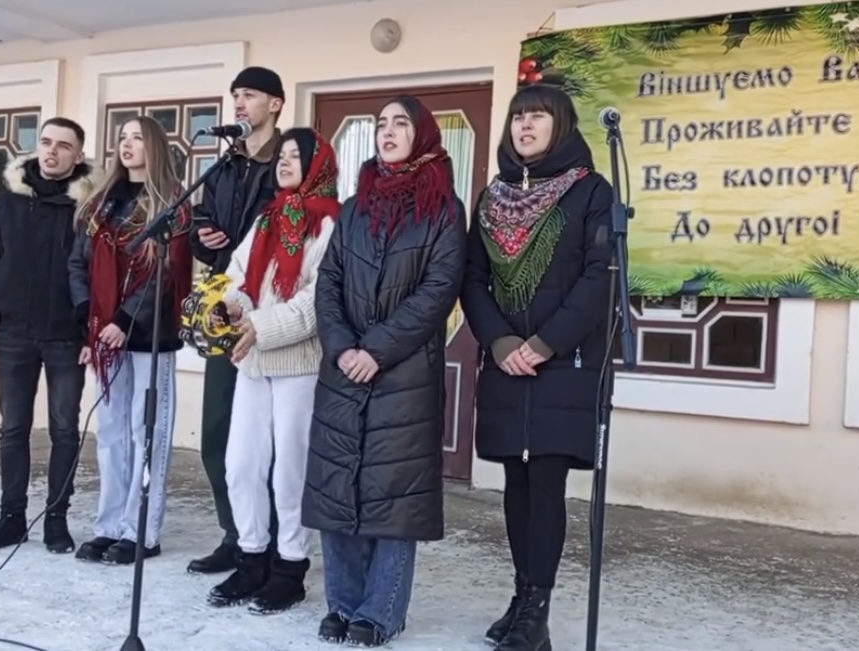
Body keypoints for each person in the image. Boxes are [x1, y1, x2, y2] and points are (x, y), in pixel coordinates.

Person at [302, 96, 467, 647]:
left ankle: (381, 611)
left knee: (395, 498)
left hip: (404, 373)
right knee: (337, 488)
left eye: (401, 123)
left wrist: (375, 349)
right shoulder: (356, 206)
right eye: (381, 124)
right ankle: (343, 604)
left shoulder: (444, 208)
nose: (388, 132)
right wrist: (342, 346)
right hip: (344, 368)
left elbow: (438, 289)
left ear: (422, 135)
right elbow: (328, 281)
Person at [460, 84, 613, 651]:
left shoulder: (591, 192)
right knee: (516, 483)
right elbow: (472, 277)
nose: (524, 126)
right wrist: (500, 341)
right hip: (506, 363)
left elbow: (599, 278)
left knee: (546, 482)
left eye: (538, 116)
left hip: (563, 362)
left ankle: (538, 612)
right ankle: (522, 596)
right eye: (518, 116)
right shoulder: (492, 197)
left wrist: (544, 344)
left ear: (562, 125)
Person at [206, 128, 340, 613]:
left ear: (317, 164)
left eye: (295, 156)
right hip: (254, 362)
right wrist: (229, 307)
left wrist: (257, 325)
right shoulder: (267, 218)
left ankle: (290, 568)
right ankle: (251, 558)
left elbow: (316, 301)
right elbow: (240, 279)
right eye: (280, 155)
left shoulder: (329, 224)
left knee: (290, 471)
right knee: (241, 464)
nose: (284, 162)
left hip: (299, 364)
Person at [0, 117, 99, 556]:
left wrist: (90, 333)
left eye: (63, 145)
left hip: (67, 336)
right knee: (12, 429)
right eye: (45, 142)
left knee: (64, 430)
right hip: (15, 333)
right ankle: (11, 518)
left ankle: (56, 519)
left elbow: (99, 275)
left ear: (78, 155)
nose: (52, 151)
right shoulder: (6, 202)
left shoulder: (88, 207)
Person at [67, 115, 194, 565]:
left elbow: (166, 272)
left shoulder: (173, 203)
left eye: (137, 138)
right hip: (104, 334)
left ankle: (142, 530)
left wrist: (123, 319)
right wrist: (89, 316)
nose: (127, 144)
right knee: (111, 432)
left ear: (153, 146)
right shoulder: (100, 204)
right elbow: (77, 265)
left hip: (148, 335)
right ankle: (108, 525)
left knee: (147, 432)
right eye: (122, 137)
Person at [188, 65, 285, 575]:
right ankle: (237, 534)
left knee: (268, 442)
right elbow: (201, 225)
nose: (239, 104)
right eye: (235, 96)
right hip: (225, 309)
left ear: (276, 103)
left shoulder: (291, 160)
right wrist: (201, 236)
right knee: (218, 432)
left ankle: (274, 545)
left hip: (274, 314)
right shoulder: (224, 166)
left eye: (249, 94)